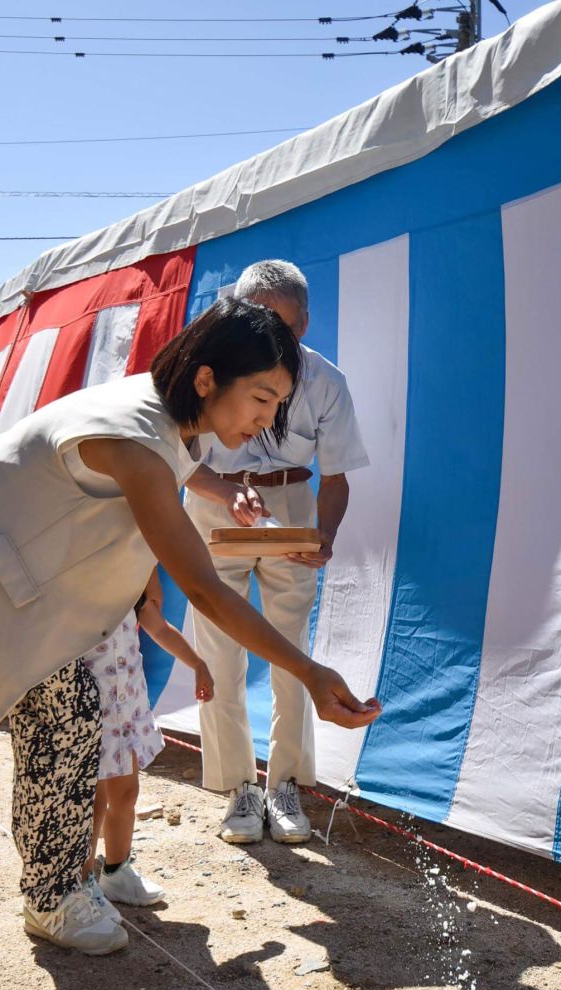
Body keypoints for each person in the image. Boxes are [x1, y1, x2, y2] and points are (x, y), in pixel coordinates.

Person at [0, 298, 381, 956]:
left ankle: (87, 875)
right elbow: (200, 586)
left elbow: (188, 470)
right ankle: (50, 898)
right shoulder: (136, 439)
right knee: (65, 719)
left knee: (86, 721)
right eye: (262, 398)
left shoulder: (175, 422)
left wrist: (227, 494)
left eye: (277, 406)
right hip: (1, 566)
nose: (268, 420)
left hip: (52, 576)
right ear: (207, 379)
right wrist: (308, 671)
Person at [185, 262, 369, 846]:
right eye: (260, 323)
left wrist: (326, 536)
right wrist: (220, 490)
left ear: (307, 321)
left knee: (292, 651)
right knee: (219, 651)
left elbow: (336, 477)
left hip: (291, 503)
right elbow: (178, 456)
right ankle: (239, 787)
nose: (274, 340)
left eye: (286, 327)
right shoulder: (205, 373)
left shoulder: (325, 380)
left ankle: (285, 784)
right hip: (216, 500)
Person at [85, 570, 213, 907]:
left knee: (126, 793)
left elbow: (157, 626)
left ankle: (116, 870)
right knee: (93, 802)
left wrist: (197, 663)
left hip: (126, 706)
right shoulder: (79, 581)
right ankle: (81, 881)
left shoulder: (134, 581)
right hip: (90, 708)